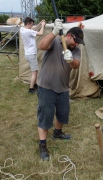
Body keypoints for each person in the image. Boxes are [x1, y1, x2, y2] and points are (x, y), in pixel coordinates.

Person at [37, 19, 85, 161]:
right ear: (69, 35)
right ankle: (42, 145)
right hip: (47, 86)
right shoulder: (56, 40)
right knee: (45, 116)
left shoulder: (75, 50)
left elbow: (76, 65)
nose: (77, 44)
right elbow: (42, 45)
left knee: (63, 113)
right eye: (76, 41)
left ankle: (57, 132)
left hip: (63, 87)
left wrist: (71, 60)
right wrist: (53, 33)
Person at [20, 17, 46, 94]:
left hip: (28, 54)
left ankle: (34, 84)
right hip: (31, 54)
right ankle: (31, 89)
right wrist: (43, 25)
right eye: (31, 24)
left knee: (35, 70)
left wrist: (40, 23)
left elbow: (33, 29)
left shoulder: (23, 29)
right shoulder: (27, 31)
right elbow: (40, 33)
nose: (32, 26)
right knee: (34, 73)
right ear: (28, 24)